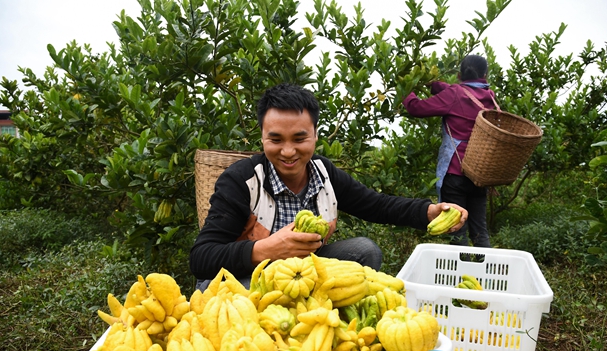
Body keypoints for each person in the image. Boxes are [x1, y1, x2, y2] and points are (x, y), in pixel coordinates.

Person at [189, 83, 468, 289]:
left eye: (299, 139)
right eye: (276, 140)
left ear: (315, 135)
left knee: (365, 250)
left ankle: (320, 304)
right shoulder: (241, 181)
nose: (288, 151)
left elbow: (377, 205)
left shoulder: (324, 173)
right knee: (237, 290)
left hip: (304, 272)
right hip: (253, 275)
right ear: (262, 137)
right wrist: (265, 249)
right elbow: (202, 258)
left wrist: (429, 211)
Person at [402, 54, 496, 248]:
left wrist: (407, 89)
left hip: (456, 173)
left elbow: (416, 108)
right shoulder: (490, 97)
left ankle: (460, 275)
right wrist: (435, 85)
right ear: (484, 74)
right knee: (480, 230)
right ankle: (484, 275)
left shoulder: (454, 95)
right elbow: (461, 94)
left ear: (460, 74)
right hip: (479, 173)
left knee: (455, 230)